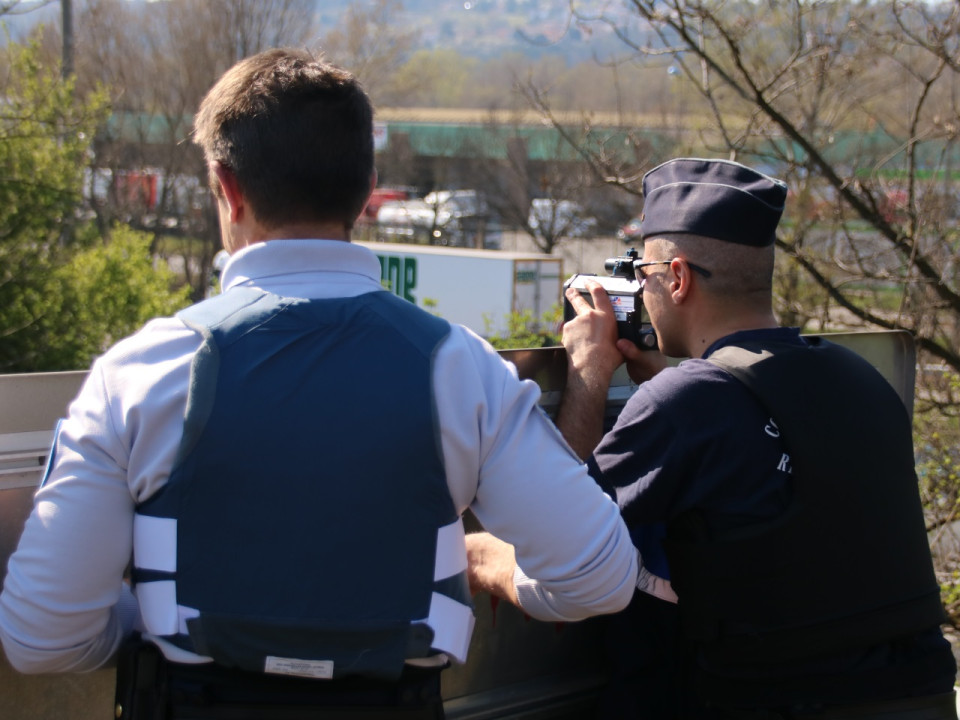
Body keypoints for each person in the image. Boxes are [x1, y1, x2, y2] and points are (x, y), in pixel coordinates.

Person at [0, 48, 639, 719]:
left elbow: (42, 638)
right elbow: (601, 580)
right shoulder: (463, 369)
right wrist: (495, 567)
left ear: (228, 188)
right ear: (366, 192)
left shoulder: (137, 374)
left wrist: (148, 620)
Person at [481, 157, 958, 718]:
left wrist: (588, 374)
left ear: (678, 279)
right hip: (921, 699)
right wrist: (668, 383)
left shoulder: (690, 402)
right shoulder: (861, 379)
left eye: (644, 272)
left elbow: (567, 556)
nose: (638, 284)